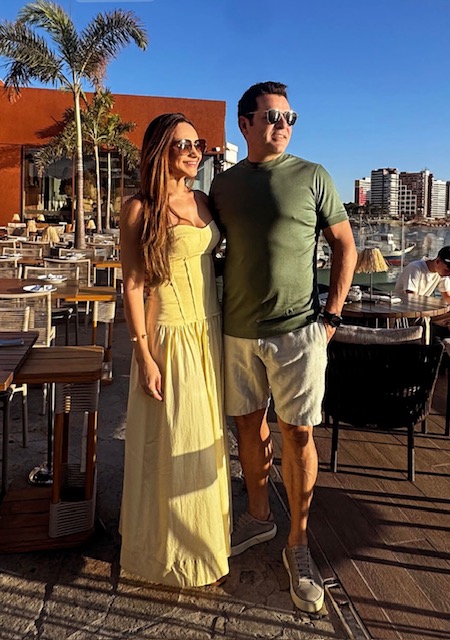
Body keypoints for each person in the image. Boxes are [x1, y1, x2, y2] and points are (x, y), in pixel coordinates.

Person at [210, 81, 357, 613]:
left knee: (298, 434)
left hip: (298, 330)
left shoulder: (313, 175)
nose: (283, 125)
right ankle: (258, 518)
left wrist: (332, 315)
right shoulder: (223, 185)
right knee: (248, 428)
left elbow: (345, 246)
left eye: (289, 117)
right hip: (236, 330)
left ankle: (298, 544)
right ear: (244, 123)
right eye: (272, 116)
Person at [119, 113, 231, 587]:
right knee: (172, 442)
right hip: (169, 334)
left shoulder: (203, 199)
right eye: (181, 144)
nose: (192, 151)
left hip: (210, 330)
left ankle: (206, 542)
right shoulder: (138, 209)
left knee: (207, 441)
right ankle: (169, 553)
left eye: (197, 144)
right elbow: (132, 285)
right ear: (158, 150)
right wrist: (143, 354)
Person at [395, 245, 450, 337]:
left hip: (423, 310)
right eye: (447, 270)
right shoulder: (415, 268)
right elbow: (412, 299)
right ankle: (427, 343)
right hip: (407, 312)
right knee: (422, 317)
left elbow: (447, 296)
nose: (449, 275)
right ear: (438, 261)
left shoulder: (442, 273)